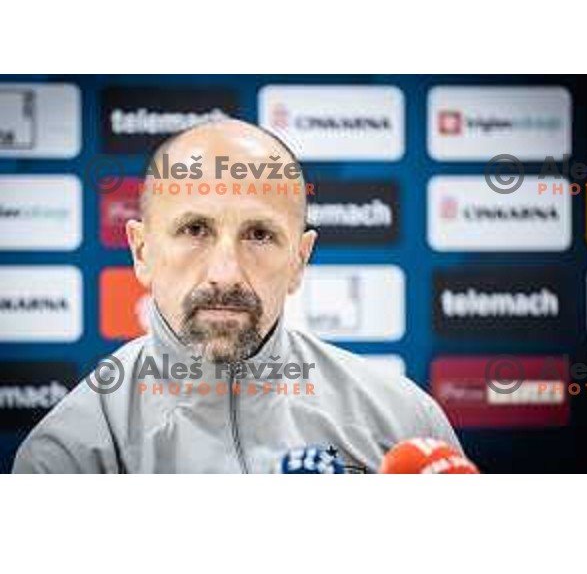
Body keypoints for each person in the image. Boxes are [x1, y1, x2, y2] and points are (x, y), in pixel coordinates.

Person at [13, 116, 460, 473]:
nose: (225, 274)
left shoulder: (404, 421)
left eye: (259, 235)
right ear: (142, 251)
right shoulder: (69, 455)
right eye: (195, 229)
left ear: (300, 260)